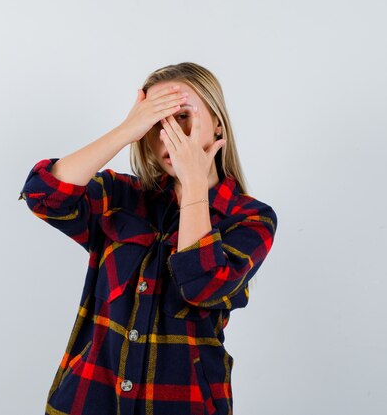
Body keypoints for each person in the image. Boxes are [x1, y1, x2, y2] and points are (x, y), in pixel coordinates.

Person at [18, 62, 278, 415]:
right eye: (156, 122)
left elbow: (201, 286)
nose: (168, 133)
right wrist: (127, 129)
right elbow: (43, 194)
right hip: (89, 398)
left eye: (182, 116)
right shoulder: (124, 196)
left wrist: (195, 185)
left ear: (217, 121)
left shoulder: (250, 217)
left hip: (183, 403)